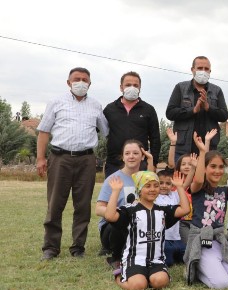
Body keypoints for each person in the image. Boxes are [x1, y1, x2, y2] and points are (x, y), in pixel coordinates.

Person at [37, 67, 109, 260]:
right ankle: (51, 247)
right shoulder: (56, 102)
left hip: (86, 160)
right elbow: (44, 131)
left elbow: (106, 130)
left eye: (85, 79)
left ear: (90, 84)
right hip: (60, 158)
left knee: (83, 205)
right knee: (55, 204)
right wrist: (40, 158)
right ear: (68, 82)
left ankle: (78, 247)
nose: (81, 82)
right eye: (76, 79)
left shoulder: (96, 105)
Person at [184, 133, 228, 289]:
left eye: (221, 167)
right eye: (213, 166)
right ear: (205, 168)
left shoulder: (224, 191)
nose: (217, 171)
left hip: (220, 241)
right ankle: (195, 268)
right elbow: (199, 179)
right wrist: (203, 152)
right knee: (222, 284)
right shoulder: (197, 189)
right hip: (202, 242)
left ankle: (213, 267)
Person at [104, 171, 190, 290]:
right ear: (139, 189)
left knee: (160, 282)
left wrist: (180, 187)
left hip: (156, 259)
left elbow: (185, 209)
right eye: (148, 186)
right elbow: (109, 216)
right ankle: (119, 276)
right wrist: (115, 191)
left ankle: (147, 276)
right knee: (138, 285)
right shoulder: (130, 210)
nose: (152, 189)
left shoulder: (162, 211)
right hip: (134, 259)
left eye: (156, 185)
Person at [96, 140, 156, 264]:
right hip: (114, 229)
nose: (131, 156)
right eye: (127, 153)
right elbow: (99, 209)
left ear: (142, 156)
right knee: (118, 221)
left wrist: (150, 161)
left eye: (135, 153)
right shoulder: (113, 179)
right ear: (122, 157)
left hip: (137, 227)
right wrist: (120, 213)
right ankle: (116, 258)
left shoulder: (144, 178)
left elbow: (152, 185)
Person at [166, 56, 228, 162]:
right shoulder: (181, 88)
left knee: (204, 179)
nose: (203, 71)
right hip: (184, 149)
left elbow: (224, 116)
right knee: (182, 178)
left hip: (208, 149)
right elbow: (170, 113)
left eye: (206, 69)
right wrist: (193, 110)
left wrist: (208, 107)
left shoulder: (216, 90)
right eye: (199, 68)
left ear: (210, 71)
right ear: (192, 69)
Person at [103, 71, 160, 177]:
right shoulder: (110, 109)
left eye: (135, 85)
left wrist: (154, 162)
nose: (132, 88)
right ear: (121, 87)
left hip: (140, 164)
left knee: (139, 193)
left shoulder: (149, 109)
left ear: (140, 88)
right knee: (114, 193)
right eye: (128, 85)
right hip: (114, 164)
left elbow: (155, 138)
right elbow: (102, 131)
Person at [155, 169, 186, 267]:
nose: (164, 186)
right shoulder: (154, 197)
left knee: (186, 258)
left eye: (168, 183)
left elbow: (185, 185)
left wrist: (179, 185)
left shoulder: (175, 196)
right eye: (161, 183)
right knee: (168, 262)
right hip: (162, 240)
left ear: (172, 185)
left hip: (176, 238)